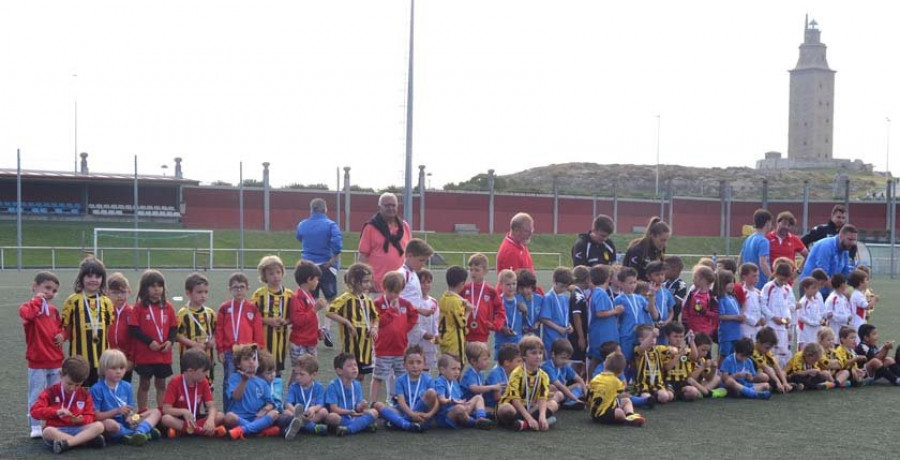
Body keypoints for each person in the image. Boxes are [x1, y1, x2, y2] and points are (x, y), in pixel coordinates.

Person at [30, 356, 106, 454]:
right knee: (47, 432)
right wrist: (56, 412)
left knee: (99, 426)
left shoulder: (85, 394)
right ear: (61, 374)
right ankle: (84, 441)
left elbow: (90, 415)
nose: (72, 388)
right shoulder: (50, 392)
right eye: (69, 384)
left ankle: (67, 443)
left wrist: (81, 419)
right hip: (57, 430)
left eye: (77, 385)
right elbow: (34, 411)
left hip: (78, 429)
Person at [21, 271, 64, 438]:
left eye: (54, 290)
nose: (50, 293)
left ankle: (53, 422)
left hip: (55, 361)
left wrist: (63, 335)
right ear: (35, 286)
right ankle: (36, 425)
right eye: (47, 288)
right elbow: (27, 315)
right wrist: (38, 300)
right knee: (37, 394)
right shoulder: (28, 307)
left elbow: (61, 329)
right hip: (37, 361)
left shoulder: (53, 311)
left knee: (55, 394)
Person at [128, 270, 178, 413]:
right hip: (145, 354)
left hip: (163, 354)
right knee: (144, 383)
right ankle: (142, 410)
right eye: (153, 286)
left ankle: (161, 411)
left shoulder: (168, 306)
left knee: (161, 383)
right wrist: (149, 342)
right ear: (145, 288)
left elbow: (174, 327)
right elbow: (133, 329)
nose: (157, 289)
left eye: (160, 286)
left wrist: (170, 342)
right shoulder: (139, 307)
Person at [215, 272, 265, 410]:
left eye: (242, 287)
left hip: (247, 353)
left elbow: (258, 330)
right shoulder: (224, 308)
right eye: (235, 287)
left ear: (247, 289)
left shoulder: (252, 308)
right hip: (230, 351)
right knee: (229, 381)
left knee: (249, 380)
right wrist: (220, 349)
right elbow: (219, 330)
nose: (238, 290)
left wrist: (258, 348)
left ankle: (245, 410)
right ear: (230, 289)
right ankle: (228, 410)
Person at [90, 349, 161, 446]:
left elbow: (130, 408)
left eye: (122, 368)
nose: (118, 371)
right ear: (104, 369)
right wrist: (117, 411)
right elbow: (96, 416)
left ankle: (138, 432)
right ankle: (141, 432)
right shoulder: (96, 389)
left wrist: (130, 417)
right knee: (110, 424)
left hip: (126, 421)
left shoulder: (127, 386)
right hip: (111, 421)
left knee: (155, 412)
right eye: (114, 368)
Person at [62, 256, 114, 388]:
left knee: (98, 391)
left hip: (101, 359)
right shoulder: (72, 301)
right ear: (81, 278)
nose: (93, 280)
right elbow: (67, 328)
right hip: (79, 359)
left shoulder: (106, 302)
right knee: (78, 391)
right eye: (89, 276)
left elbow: (108, 328)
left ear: (102, 280)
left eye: (97, 276)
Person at [295, 198, 342, 339]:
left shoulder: (302, 225)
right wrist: (333, 259)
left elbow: (299, 237)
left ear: (311, 209)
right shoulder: (331, 225)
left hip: (308, 267)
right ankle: (326, 328)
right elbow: (337, 243)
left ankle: (316, 327)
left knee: (311, 299)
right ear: (325, 209)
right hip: (326, 265)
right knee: (331, 299)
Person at [371, 271, 418, 403]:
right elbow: (379, 321)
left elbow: (414, 316)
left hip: (400, 348)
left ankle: (403, 402)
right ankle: (373, 402)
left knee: (402, 377)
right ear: (384, 288)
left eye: (396, 292)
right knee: (378, 376)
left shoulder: (405, 303)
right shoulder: (378, 303)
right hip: (383, 349)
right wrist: (391, 310)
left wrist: (404, 328)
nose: (393, 295)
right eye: (390, 291)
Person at [326, 263, 379, 379]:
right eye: (365, 281)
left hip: (365, 345)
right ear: (354, 281)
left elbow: (376, 317)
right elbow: (329, 312)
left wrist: (374, 328)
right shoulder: (346, 298)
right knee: (348, 374)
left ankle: (356, 395)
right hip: (350, 345)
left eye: (369, 281)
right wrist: (347, 322)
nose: (368, 285)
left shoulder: (368, 300)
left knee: (360, 375)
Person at [496, 336, 558, 431]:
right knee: (506, 409)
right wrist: (530, 418)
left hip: (530, 407)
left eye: (540, 353)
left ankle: (522, 424)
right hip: (514, 407)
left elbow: (542, 398)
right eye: (534, 353)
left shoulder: (543, 375)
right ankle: (528, 423)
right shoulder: (516, 373)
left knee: (553, 404)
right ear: (524, 356)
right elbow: (515, 400)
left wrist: (542, 416)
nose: (538, 356)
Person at [160, 349, 226, 438]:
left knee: (220, 416)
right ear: (190, 371)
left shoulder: (204, 382)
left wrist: (210, 420)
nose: (206, 374)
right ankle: (201, 431)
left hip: (195, 417)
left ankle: (185, 431)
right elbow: (166, 409)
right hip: (180, 418)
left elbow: (211, 406)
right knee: (166, 419)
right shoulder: (174, 382)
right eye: (204, 371)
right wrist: (183, 412)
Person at [223, 346, 280, 440]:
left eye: (254, 359)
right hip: (239, 418)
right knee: (229, 417)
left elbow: (270, 403)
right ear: (238, 364)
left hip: (256, 417)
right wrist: (244, 381)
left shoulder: (262, 382)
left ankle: (242, 430)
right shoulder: (234, 378)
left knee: (274, 413)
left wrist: (264, 410)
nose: (251, 362)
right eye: (246, 359)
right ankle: (259, 430)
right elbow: (236, 397)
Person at [358, 193, 411, 292]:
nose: (390, 208)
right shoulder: (370, 227)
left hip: (401, 286)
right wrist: (368, 281)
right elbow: (362, 257)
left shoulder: (404, 227)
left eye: (393, 205)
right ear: (380, 207)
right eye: (387, 205)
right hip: (377, 286)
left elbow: (410, 255)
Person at [252, 255, 293, 375]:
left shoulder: (289, 294)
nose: (275, 276)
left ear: (282, 273)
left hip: (281, 339)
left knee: (277, 368)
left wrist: (286, 321)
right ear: (264, 276)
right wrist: (267, 321)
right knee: (263, 367)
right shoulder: (259, 294)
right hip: (264, 338)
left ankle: (276, 391)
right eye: (271, 273)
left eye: (278, 272)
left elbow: (293, 316)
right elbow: (250, 315)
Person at [433, 354, 494, 430]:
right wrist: (452, 401)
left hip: (460, 408)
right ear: (442, 370)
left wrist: (463, 402)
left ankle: (481, 418)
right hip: (446, 415)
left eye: (458, 369)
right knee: (459, 409)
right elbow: (441, 399)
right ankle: (473, 422)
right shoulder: (440, 382)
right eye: (453, 369)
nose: (457, 372)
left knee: (478, 397)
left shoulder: (454, 381)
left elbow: (460, 397)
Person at [176, 273, 216, 387]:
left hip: (208, 357)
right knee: (189, 386)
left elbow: (216, 330)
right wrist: (193, 344)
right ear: (188, 293)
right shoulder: (183, 313)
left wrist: (213, 340)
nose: (203, 295)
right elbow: (176, 335)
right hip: (189, 358)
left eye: (206, 292)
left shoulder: (210, 313)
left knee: (207, 385)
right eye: (199, 292)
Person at [324, 353, 379, 436]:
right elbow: (333, 409)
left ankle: (349, 429)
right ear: (339, 371)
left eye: (355, 365)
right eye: (349, 366)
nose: (354, 368)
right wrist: (349, 412)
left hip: (355, 415)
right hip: (340, 416)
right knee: (331, 417)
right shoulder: (333, 386)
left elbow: (358, 408)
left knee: (374, 412)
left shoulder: (357, 384)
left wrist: (361, 405)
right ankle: (360, 426)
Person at [387, 346, 437, 430]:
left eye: (419, 362)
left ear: (424, 364)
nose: (415, 366)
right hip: (405, 411)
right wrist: (412, 414)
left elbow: (436, 401)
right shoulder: (400, 380)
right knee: (380, 407)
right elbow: (401, 402)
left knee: (431, 392)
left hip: (421, 413)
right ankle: (410, 422)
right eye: (411, 363)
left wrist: (430, 414)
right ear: (404, 365)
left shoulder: (428, 380)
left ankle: (400, 422)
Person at [400, 239, 435, 362]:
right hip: (404, 323)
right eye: (421, 260)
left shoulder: (413, 273)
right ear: (409, 256)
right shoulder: (402, 274)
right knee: (402, 358)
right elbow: (397, 299)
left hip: (413, 322)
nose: (422, 264)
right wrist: (420, 310)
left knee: (411, 356)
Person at [588, 352, 646, 427]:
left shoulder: (595, 378)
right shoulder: (616, 382)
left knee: (623, 402)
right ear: (620, 372)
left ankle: (630, 416)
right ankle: (627, 418)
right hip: (604, 415)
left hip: (593, 414)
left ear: (605, 365)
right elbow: (623, 394)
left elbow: (588, 396)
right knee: (623, 406)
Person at [615, 267, 658, 364]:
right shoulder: (618, 299)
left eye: (634, 282)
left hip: (641, 335)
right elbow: (616, 320)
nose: (633, 285)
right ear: (621, 283)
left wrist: (651, 296)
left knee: (641, 361)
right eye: (630, 283)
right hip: (626, 336)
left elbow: (649, 309)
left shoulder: (639, 298)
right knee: (626, 361)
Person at [462, 253, 505, 346]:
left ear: (485, 271)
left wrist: (495, 324)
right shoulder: (464, 289)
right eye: (471, 270)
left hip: (482, 335)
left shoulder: (490, 291)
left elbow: (500, 310)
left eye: (477, 270)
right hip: (465, 334)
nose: (473, 273)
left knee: (480, 359)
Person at [284, 355, 329, 439]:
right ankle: (313, 428)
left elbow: (320, 404)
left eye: (302, 374)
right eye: (296, 374)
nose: (297, 377)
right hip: (296, 415)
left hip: (311, 416)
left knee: (324, 411)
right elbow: (287, 403)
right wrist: (296, 412)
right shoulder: (294, 386)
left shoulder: (318, 387)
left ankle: (298, 426)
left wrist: (313, 409)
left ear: (313, 374)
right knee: (286, 412)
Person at [288, 261, 325, 361]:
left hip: (310, 340)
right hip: (300, 341)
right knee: (299, 371)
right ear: (309, 279)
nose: (318, 282)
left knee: (310, 370)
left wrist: (318, 331)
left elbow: (314, 318)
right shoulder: (298, 297)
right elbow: (299, 320)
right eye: (316, 279)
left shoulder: (309, 295)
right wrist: (315, 309)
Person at [587, 265, 619, 376]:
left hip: (604, 333)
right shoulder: (600, 293)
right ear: (608, 279)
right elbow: (600, 313)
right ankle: (590, 381)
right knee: (597, 358)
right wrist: (615, 311)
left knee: (598, 359)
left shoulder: (599, 292)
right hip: (602, 334)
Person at [761, 263, 794, 368]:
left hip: (783, 326)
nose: (783, 282)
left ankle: (782, 376)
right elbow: (762, 305)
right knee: (771, 351)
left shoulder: (786, 289)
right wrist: (773, 317)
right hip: (771, 325)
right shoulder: (768, 287)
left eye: (786, 280)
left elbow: (786, 306)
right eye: (781, 279)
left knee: (783, 351)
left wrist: (788, 318)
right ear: (776, 274)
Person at [438, 266, 472, 365]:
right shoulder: (456, 302)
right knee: (455, 369)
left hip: (444, 338)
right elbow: (462, 323)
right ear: (462, 283)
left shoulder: (444, 297)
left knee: (445, 367)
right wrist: (468, 311)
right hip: (454, 342)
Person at [632, 325, 674, 404]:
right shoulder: (638, 349)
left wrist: (673, 351)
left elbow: (670, 351)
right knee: (646, 397)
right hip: (643, 384)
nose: (652, 340)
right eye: (649, 338)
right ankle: (645, 398)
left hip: (657, 384)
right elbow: (642, 348)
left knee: (665, 396)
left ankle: (654, 397)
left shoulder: (659, 349)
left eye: (654, 338)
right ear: (641, 340)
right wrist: (652, 335)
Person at [541, 339, 586, 409]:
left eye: (567, 358)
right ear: (553, 354)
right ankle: (550, 405)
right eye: (563, 358)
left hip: (563, 391)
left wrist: (586, 394)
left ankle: (569, 402)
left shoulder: (564, 365)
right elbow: (560, 386)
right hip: (551, 393)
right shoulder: (547, 367)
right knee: (555, 389)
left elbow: (579, 379)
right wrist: (575, 398)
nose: (565, 361)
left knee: (579, 385)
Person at [106, 273, 134, 384]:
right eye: (114, 292)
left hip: (125, 359)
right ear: (107, 293)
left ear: (129, 292)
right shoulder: (104, 311)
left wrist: (131, 359)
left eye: (122, 292)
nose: (119, 296)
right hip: (107, 359)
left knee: (123, 389)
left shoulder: (132, 312)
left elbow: (134, 340)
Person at [540, 267, 574, 356]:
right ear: (554, 281)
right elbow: (544, 319)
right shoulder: (548, 297)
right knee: (552, 360)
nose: (563, 289)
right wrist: (559, 328)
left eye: (566, 287)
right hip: (552, 337)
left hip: (563, 337)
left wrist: (569, 325)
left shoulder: (565, 298)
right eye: (562, 286)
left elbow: (565, 316)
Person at [623, 217, 670, 281]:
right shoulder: (638, 250)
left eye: (666, 240)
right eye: (662, 240)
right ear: (653, 236)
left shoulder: (660, 249)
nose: (665, 244)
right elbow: (632, 275)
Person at [752, 327, 794, 394]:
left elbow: (776, 366)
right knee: (764, 376)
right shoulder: (752, 350)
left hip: (763, 373)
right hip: (752, 375)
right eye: (767, 348)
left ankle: (785, 385)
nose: (768, 350)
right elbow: (766, 368)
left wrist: (784, 382)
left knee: (782, 373)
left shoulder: (766, 351)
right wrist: (778, 382)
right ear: (759, 341)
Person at [739, 209, 774, 289]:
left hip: (749, 284)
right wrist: (773, 279)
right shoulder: (763, 241)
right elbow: (763, 263)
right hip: (761, 284)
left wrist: (742, 278)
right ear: (767, 223)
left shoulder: (748, 239)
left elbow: (740, 260)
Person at [681, 265, 718, 339]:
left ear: (703, 280)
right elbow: (685, 309)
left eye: (695, 277)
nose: (693, 280)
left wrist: (704, 312)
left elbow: (716, 314)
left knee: (704, 349)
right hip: (692, 330)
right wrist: (685, 323)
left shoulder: (711, 296)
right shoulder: (692, 293)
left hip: (705, 332)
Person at [716, 269, 743, 363]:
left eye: (733, 282)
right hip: (727, 333)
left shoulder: (732, 297)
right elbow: (720, 316)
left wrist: (741, 317)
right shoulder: (721, 299)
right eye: (729, 283)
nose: (732, 285)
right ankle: (718, 372)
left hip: (736, 333)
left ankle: (729, 373)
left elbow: (738, 311)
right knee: (724, 354)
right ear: (721, 284)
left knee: (734, 355)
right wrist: (735, 318)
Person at [494, 269, 523, 359]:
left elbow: (527, 319)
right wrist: (502, 328)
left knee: (517, 365)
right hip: (502, 340)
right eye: (508, 284)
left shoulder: (520, 300)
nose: (511, 287)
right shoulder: (497, 301)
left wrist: (525, 311)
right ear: (501, 286)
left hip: (516, 340)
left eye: (514, 284)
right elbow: (493, 320)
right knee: (502, 365)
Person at [416, 269, 440, 371]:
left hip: (429, 343)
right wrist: (423, 334)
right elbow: (413, 322)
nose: (426, 285)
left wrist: (436, 335)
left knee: (427, 370)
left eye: (428, 282)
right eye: (422, 282)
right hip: (416, 342)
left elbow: (435, 321)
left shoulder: (433, 302)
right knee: (416, 368)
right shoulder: (414, 302)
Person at [485, 344, 521, 411]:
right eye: (518, 361)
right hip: (494, 407)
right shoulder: (496, 373)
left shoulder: (511, 374)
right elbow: (497, 397)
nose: (521, 365)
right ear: (507, 363)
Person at [568, 266, 591, 372]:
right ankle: (573, 385)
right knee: (576, 363)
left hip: (579, 334)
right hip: (576, 336)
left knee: (580, 362)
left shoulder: (578, 293)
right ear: (587, 279)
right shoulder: (577, 295)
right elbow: (576, 316)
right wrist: (581, 337)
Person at [646, 262, 675, 345]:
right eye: (657, 275)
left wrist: (667, 321)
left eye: (662, 274)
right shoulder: (646, 291)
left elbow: (671, 311)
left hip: (663, 327)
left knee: (663, 351)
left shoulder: (666, 292)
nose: (660, 277)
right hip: (649, 327)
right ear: (648, 276)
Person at [797, 277, 826, 350]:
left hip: (815, 332)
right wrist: (816, 322)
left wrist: (821, 320)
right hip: (805, 334)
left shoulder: (815, 301)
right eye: (813, 288)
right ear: (805, 289)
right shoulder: (803, 302)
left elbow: (818, 314)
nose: (815, 290)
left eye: (816, 288)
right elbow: (801, 317)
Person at [738, 264, 765, 340]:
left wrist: (762, 318)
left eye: (757, 276)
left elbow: (762, 308)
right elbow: (741, 311)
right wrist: (754, 322)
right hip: (746, 328)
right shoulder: (741, 292)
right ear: (744, 277)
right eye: (754, 276)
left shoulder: (758, 293)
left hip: (758, 329)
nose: (757, 278)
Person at [824, 274, 852, 345]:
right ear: (842, 284)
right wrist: (845, 318)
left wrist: (849, 317)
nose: (846, 285)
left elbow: (848, 310)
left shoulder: (844, 298)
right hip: (835, 329)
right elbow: (828, 315)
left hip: (844, 329)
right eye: (845, 283)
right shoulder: (832, 298)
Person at [516, 269, 543, 336]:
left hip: (535, 335)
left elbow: (543, 316)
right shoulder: (516, 300)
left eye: (528, 288)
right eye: (522, 288)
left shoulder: (540, 299)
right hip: (520, 337)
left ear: (532, 287)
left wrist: (538, 323)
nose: (525, 291)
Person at [846, 270, 873, 334]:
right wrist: (874, 300)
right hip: (858, 324)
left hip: (859, 322)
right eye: (866, 280)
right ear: (861, 283)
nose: (867, 282)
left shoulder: (858, 293)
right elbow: (867, 306)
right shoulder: (857, 294)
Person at [662, 256, 687, 321]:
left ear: (675, 270)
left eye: (665, 269)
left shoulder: (681, 285)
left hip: (672, 319)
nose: (663, 271)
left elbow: (676, 303)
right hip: (662, 316)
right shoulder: (663, 282)